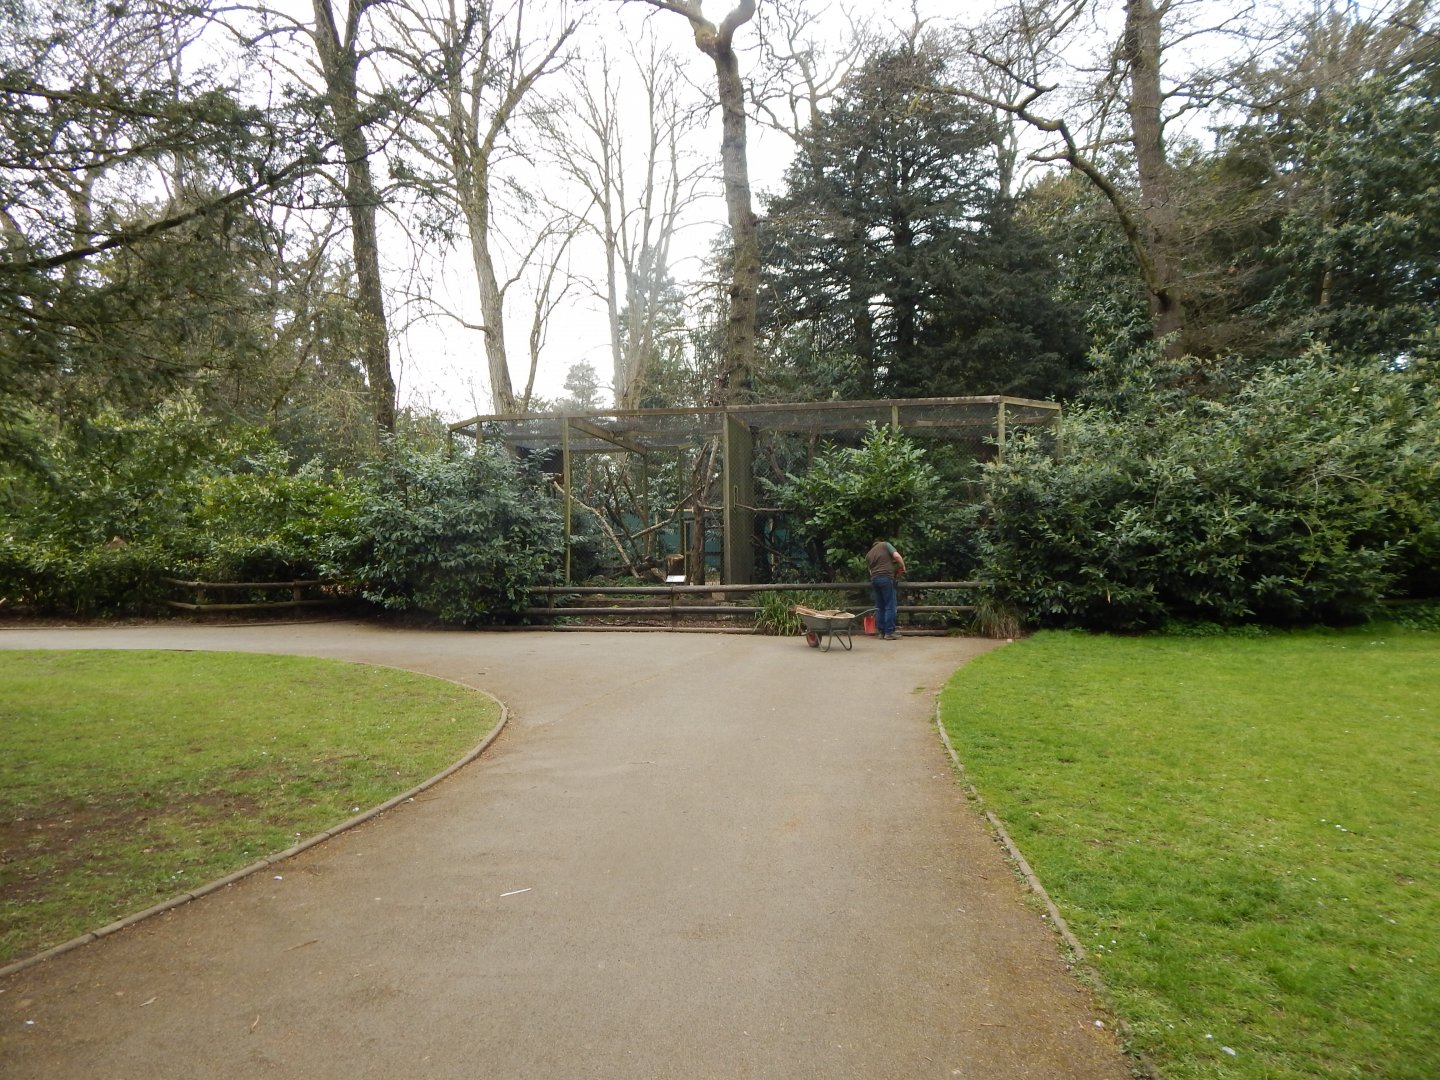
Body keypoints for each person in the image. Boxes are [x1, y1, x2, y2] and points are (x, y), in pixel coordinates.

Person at [866, 538, 906, 640]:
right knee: (890, 605)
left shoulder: (869, 554)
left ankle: (881, 632)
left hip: (875, 579)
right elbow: (896, 556)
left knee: (879, 606)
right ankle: (889, 632)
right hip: (886, 578)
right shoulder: (885, 545)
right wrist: (902, 566)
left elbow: (870, 572)